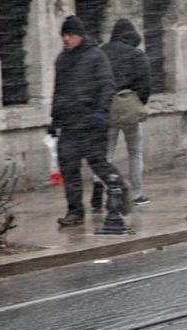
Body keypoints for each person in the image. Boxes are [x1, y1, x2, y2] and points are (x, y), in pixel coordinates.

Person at [48, 15, 128, 226]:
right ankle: (75, 211)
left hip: (92, 122)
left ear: (80, 36)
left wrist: (101, 112)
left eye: (71, 35)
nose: (67, 39)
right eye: (64, 35)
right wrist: (54, 119)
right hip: (69, 123)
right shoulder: (61, 60)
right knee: (68, 167)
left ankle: (120, 192)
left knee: (98, 164)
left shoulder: (96, 57)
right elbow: (59, 91)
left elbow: (107, 86)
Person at [95, 18, 152, 207]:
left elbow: (95, 81)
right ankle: (136, 194)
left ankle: (102, 188)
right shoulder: (137, 55)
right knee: (134, 151)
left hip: (107, 108)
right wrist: (138, 103)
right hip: (129, 107)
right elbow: (145, 85)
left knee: (106, 153)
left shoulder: (101, 52)